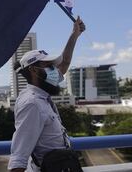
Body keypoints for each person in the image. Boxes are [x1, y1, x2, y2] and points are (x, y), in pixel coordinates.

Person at [8, 16, 85, 172]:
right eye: (49, 66)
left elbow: (64, 63)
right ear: (34, 70)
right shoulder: (32, 104)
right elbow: (19, 158)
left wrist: (74, 35)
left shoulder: (40, 92)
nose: (55, 70)